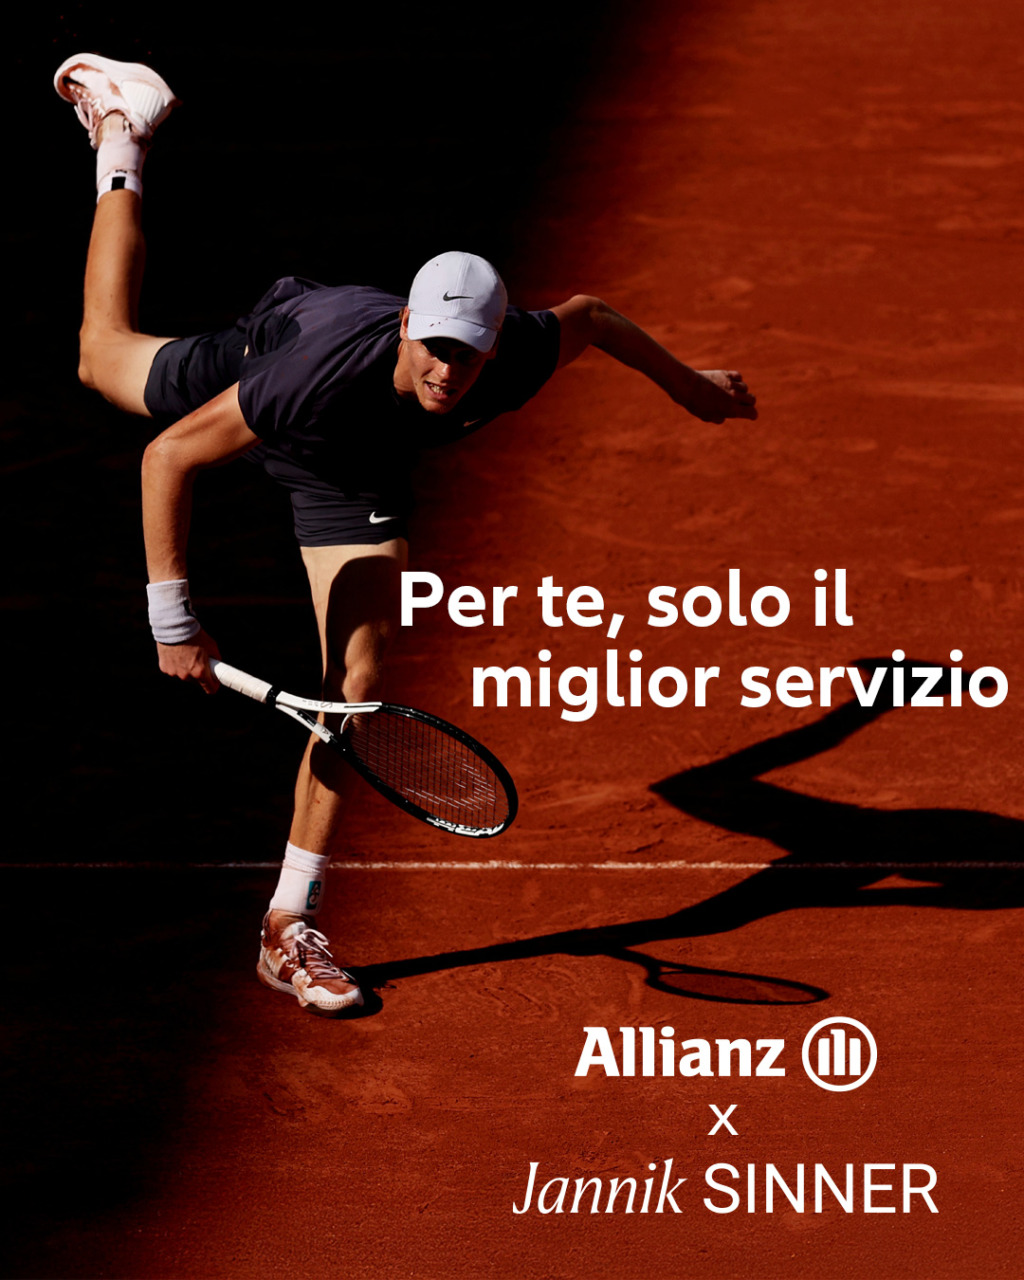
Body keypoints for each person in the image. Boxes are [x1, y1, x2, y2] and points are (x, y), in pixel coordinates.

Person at [55, 52, 758, 1016]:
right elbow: (169, 458)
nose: (448, 372)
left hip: (353, 475)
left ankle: (289, 927)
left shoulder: (516, 355)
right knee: (99, 359)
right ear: (406, 330)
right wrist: (172, 621)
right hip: (277, 369)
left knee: (356, 690)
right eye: (435, 347)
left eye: (469, 354)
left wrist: (691, 388)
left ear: (496, 346)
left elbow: (592, 317)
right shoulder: (313, 374)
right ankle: (123, 136)